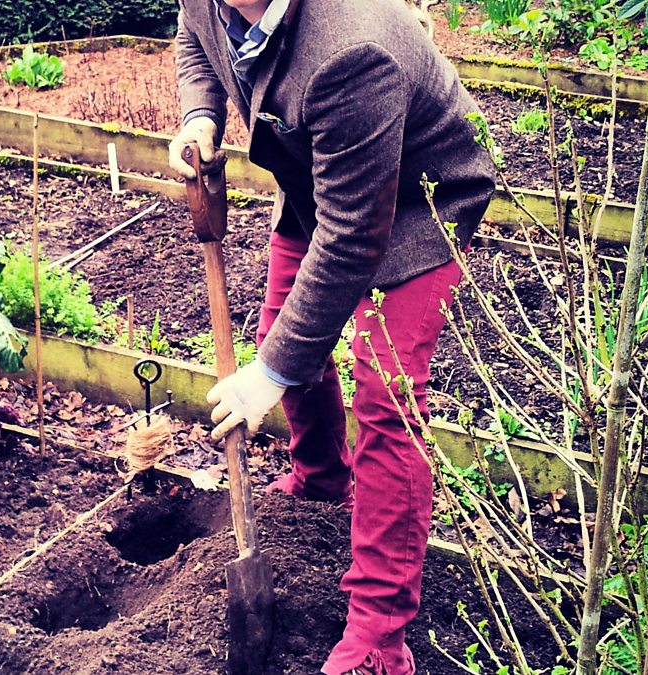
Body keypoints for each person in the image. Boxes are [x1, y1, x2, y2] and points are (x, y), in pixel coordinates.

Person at [169, 0, 497, 673]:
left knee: (386, 394)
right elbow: (195, 38)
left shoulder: (352, 49)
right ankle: (321, 482)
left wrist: (267, 374)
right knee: (283, 337)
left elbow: (352, 239)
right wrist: (200, 116)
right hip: (328, 179)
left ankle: (381, 636)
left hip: (420, 197)